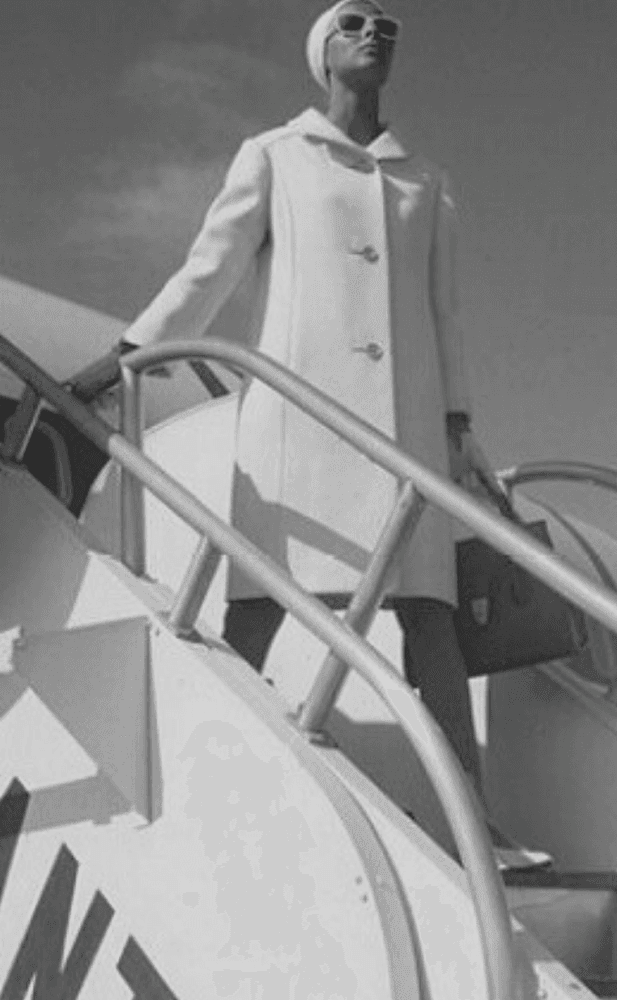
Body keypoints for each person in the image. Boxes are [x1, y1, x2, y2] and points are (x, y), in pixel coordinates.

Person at [79, 0, 501, 802]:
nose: (375, 34)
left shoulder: (427, 183)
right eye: (354, 24)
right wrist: (127, 357)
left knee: (430, 619)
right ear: (322, 53)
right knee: (261, 607)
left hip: (406, 435)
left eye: (388, 27)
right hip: (298, 427)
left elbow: (444, 315)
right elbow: (210, 269)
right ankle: (207, 782)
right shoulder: (275, 156)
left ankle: (471, 814)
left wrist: (457, 424)